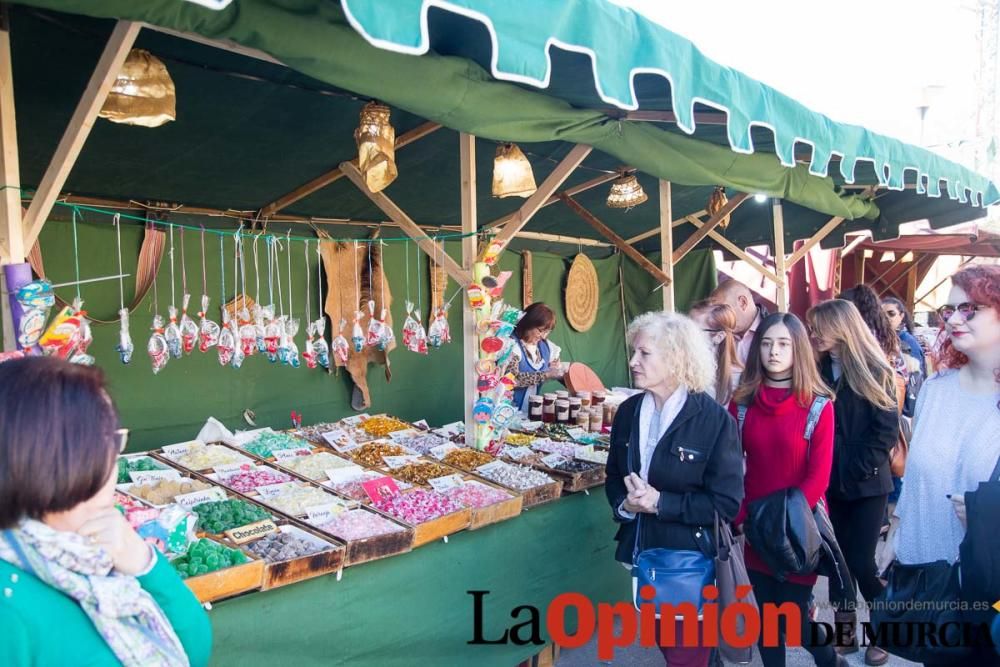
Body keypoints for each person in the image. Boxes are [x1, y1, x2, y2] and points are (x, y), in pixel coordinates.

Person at [0, 357, 212, 667]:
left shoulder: (91, 551)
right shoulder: (9, 607)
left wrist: (143, 562)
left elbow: (191, 649)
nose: (116, 459)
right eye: (110, 442)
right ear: (54, 457)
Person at [605, 312, 744, 667]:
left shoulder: (714, 421)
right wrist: (627, 507)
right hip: (640, 552)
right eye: (634, 352)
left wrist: (660, 503)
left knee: (684, 655)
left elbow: (726, 505)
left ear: (677, 358)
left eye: (644, 354)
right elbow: (614, 477)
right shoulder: (627, 412)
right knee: (676, 648)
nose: (633, 361)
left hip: (687, 562)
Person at [893, 265, 1000, 667]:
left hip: (991, 592)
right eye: (949, 310)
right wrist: (898, 534)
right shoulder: (936, 391)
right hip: (933, 585)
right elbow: (917, 477)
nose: (954, 318)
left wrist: (986, 518)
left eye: (970, 308)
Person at [729, 312, 844, 667]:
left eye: (782, 344)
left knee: (792, 617)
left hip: (799, 529)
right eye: (765, 343)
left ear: (798, 349)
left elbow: (818, 477)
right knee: (765, 617)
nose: (773, 352)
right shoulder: (742, 403)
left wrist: (783, 522)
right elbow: (732, 468)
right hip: (753, 526)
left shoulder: (819, 405)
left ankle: (829, 660)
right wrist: (745, 517)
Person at [808, 299, 899, 666]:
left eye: (818, 328)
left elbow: (885, 433)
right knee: (836, 563)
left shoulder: (876, 369)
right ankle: (845, 636)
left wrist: (855, 468)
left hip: (866, 485)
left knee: (861, 563)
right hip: (829, 484)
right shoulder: (817, 368)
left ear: (840, 328)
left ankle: (885, 634)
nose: (812, 334)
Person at [510, 302, 566, 412]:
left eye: (547, 332)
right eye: (540, 330)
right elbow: (513, 380)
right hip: (508, 412)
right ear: (529, 323)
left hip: (532, 413)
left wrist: (557, 370)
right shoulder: (511, 344)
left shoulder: (545, 346)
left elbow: (557, 370)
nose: (543, 336)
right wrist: (546, 374)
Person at [689, 300, 743, 405]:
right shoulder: (680, 368)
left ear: (719, 337)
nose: (686, 335)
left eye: (694, 331)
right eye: (686, 327)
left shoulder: (739, 378)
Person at [709, 278, 769, 366]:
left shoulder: (775, 332)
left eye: (721, 309)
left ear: (742, 303)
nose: (717, 316)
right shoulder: (716, 333)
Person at [881, 296, 927, 376]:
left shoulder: (908, 341)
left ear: (901, 316)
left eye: (891, 313)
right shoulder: (882, 338)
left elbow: (916, 377)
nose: (886, 317)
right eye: (881, 314)